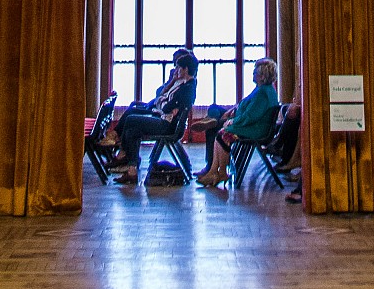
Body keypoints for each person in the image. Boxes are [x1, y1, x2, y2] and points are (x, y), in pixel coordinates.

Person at [112, 47, 198, 186]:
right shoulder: (181, 84)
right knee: (132, 131)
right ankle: (131, 171)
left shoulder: (187, 87)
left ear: (185, 69)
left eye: (178, 67)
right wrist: (165, 103)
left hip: (167, 126)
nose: (176, 70)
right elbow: (162, 98)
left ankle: (124, 155)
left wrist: (165, 104)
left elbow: (164, 105)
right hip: (164, 119)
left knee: (130, 118)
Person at [198, 58, 280, 190]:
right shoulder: (262, 90)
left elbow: (251, 116)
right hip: (253, 125)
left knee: (223, 135)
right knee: (221, 133)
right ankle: (214, 171)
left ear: (262, 76)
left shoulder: (263, 93)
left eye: (255, 72)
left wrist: (233, 121)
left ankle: (220, 172)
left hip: (256, 129)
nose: (253, 74)